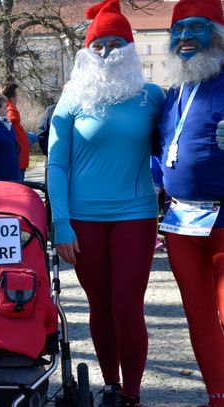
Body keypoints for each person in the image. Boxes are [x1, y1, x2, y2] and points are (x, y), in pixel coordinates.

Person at [46, 1, 165, 406]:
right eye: (99, 44)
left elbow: (176, 147)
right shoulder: (71, 98)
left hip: (135, 214)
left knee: (126, 304)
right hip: (83, 220)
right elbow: (56, 164)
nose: (107, 52)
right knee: (100, 304)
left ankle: (132, 393)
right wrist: (60, 224)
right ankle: (110, 385)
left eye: (117, 43)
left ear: (131, 49)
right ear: (85, 51)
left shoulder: (151, 97)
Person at [159, 0, 224, 405]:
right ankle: (217, 395)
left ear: (217, 33)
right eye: (177, 30)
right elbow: (160, 149)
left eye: (196, 28)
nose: (184, 38)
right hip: (183, 221)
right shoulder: (174, 91)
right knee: (200, 320)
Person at [1, 82, 30, 180]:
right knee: (16, 189)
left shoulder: (6, 108)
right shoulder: (9, 108)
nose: (17, 98)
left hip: (18, 158)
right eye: (16, 95)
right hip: (17, 160)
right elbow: (12, 119)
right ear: (12, 97)